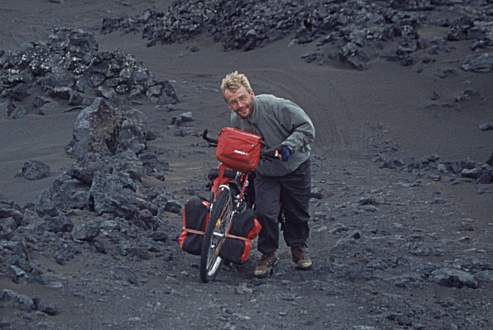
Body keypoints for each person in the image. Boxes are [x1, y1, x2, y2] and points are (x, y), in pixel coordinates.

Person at [220, 71, 316, 278]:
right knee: (265, 212)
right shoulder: (235, 120)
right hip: (265, 172)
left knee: (297, 211)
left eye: (242, 98)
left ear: (251, 94)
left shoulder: (276, 106)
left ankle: (298, 248)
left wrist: (288, 146)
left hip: (294, 167)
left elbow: (307, 127)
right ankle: (268, 253)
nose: (240, 106)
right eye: (233, 102)